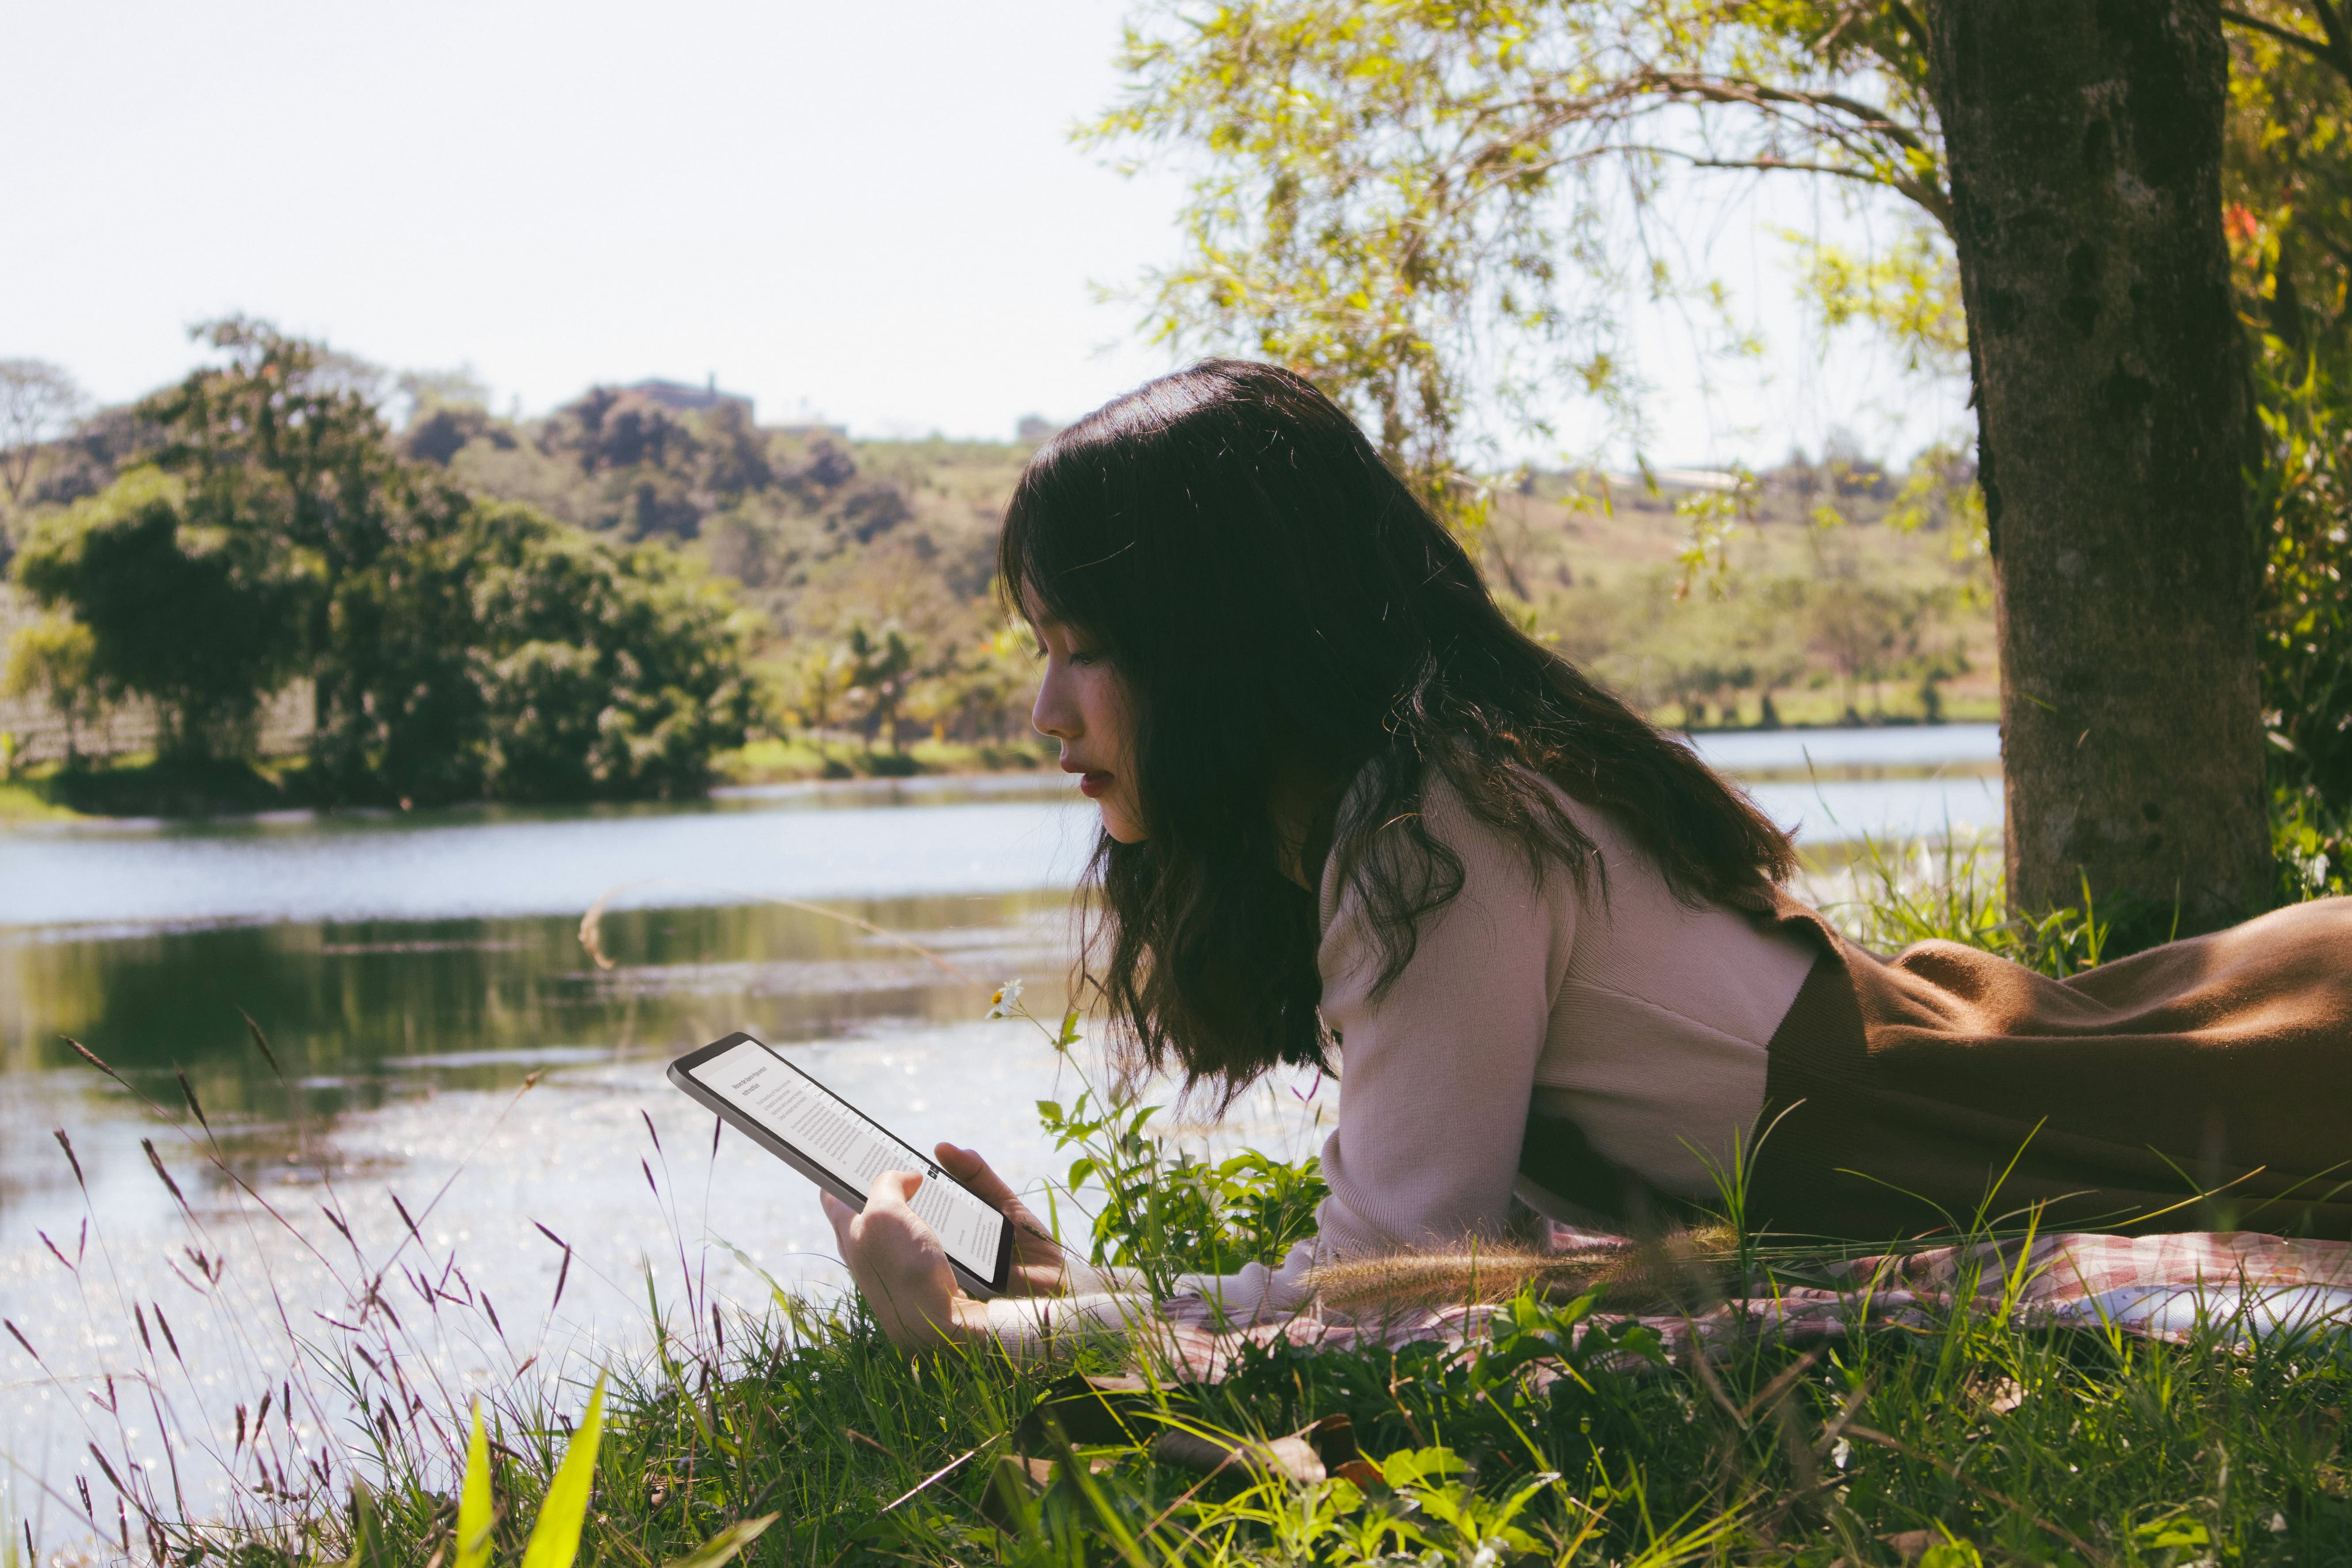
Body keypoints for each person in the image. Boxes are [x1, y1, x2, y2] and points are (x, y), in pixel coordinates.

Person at [824, 360, 2352, 1353]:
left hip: (2210, 1095)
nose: (1043, 712)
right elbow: (1407, 1265)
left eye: (1084, 651)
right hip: (2043, 1076)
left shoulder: (1437, 821)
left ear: (1219, 649)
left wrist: (998, 1347)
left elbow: (1396, 1296)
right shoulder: (1422, 800)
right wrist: (1069, 1288)